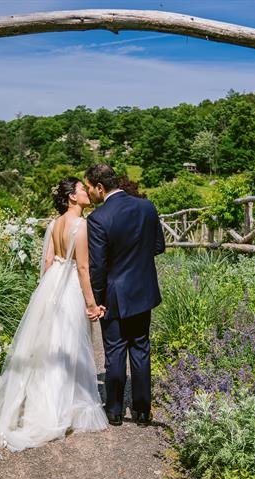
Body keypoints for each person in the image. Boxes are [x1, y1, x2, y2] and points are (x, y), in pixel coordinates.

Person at [0, 177, 108, 451]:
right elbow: (83, 269)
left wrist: (46, 290)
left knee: (51, 345)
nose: (86, 192)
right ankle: (64, 406)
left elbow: (48, 261)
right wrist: (91, 303)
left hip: (52, 283)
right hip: (70, 289)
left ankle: (45, 402)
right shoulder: (81, 225)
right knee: (70, 345)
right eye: (81, 189)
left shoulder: (54, 224)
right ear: (72, 197)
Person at [85, 164, 165, 427]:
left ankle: (115, 410)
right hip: (143, 289)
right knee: (141, 347)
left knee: (115, 350)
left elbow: (98, 266)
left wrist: (97, 300)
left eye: (89, 187)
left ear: (100, 187)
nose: (89, 192)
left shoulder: (98, 218)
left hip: (114, 295)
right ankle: (142, 412)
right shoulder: (147, 207)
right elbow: (158, 246)